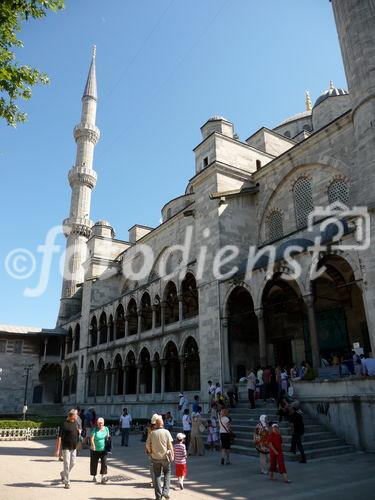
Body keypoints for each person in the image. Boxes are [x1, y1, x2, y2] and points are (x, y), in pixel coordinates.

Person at [146, 414, 174, 500]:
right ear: (162, 424)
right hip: (165, 457)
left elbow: (147, 445)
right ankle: (165, 492)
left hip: (155, 458)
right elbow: (170, 445)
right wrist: (172, 454)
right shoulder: (166, 432)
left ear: (156, 424)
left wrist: (150, 452)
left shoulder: (152, 433)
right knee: (167, 473)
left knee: (157, 476)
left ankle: (158, 496)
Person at [55, 409, 80, 489]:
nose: (77, 416)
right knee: (66, 464)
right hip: (66, 447)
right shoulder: (64, 424)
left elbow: (76, 434)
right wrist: (58, 450)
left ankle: (63, 473)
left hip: (74, 447)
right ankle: (67, 482)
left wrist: (79, 432)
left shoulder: (76, 423)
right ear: (71, 416)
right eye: (76, 415)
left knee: (73, 463)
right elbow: (59, 437)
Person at [90, 417, 110, 484]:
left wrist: (108, 442)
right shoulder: (95, 429)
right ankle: (94, 476)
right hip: (95, 450)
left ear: (103, 423)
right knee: (94, 463)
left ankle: (103, 477)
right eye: (99, 423)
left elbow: (108, 437)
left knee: (104, 462)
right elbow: (92, 438)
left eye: (101, 423)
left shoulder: (106, 429)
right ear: (97, 424)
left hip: (103, 449)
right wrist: (93, 445)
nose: (100, 425)